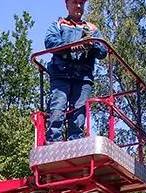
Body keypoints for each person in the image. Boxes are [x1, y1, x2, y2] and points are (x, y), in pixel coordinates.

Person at [44, 0, 108, 143]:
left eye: (81, 3)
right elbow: (50, 42)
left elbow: (103, 51)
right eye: (74, 2)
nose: (78, 6)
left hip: (83, 77)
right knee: (57, 107)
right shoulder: (58, 24)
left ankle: (75, 143)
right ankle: (53, 143)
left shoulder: (91, 29)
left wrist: (91, 45)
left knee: (79, 113)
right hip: (61, 74)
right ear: (67, 5)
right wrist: (71, 47)